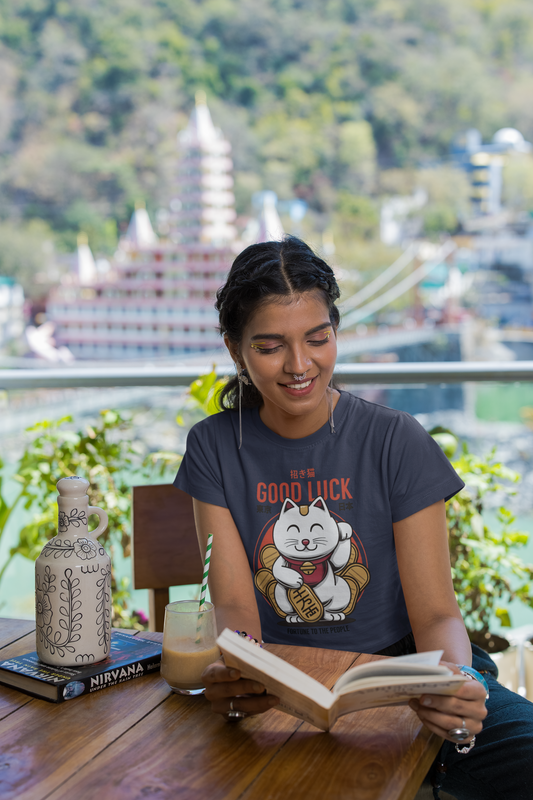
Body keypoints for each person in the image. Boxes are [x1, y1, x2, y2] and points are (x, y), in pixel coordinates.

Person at [175, 236, 533, 800]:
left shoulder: (396, 440)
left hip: (406, 669)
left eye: (318, 339)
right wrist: (239, 673)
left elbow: (437, 615)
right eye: (271, 347)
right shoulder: (214, 448)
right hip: (281, 680)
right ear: (234, 348)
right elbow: (237, 613)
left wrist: (456, 683)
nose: (300, 365)